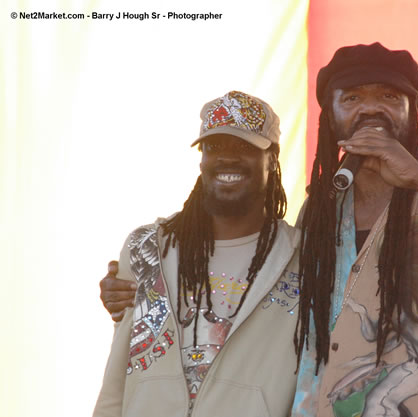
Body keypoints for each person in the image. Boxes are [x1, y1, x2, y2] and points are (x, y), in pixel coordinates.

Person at [100, 43, 418, 417]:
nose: (371, 109)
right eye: (352, 98)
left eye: (389, 97)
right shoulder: (323, 210)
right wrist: (137, 295)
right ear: (330, 116)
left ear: (413, 110)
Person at [93, 91, 302, 417]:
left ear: (272, 159)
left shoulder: (302, 257)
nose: (227, 158)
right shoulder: (147, 247)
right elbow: (120, 366)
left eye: (244, 147)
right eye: (214, 146)